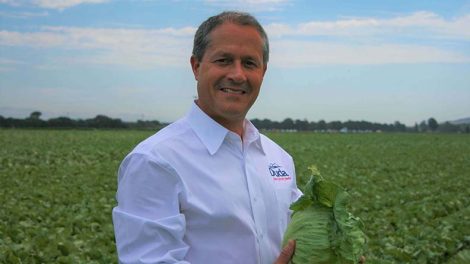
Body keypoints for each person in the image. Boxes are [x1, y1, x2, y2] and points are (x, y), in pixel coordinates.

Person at [112, 11, 302, 264]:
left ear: (263, 72)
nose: (237, 75)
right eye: (224, 60)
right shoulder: (155, 161)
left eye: (249, 63)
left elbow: (301, 234)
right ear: (196, 66)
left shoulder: (278, 158)